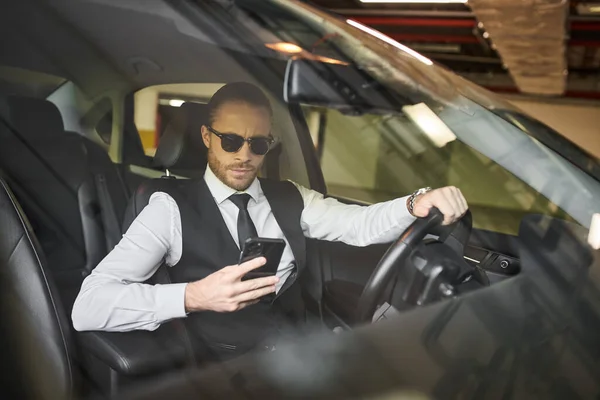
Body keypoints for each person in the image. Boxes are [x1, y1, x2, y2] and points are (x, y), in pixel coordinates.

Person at [71, 82, 468, 360]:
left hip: (302, 352)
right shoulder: (167, 207)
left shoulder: (292, 197)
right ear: (207, 137)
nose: (245, 155)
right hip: (224, 371)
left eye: (258, 144)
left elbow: (360, 225)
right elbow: (88, 306)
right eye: (231, 141)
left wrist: (417, 201)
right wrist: (192, 296)